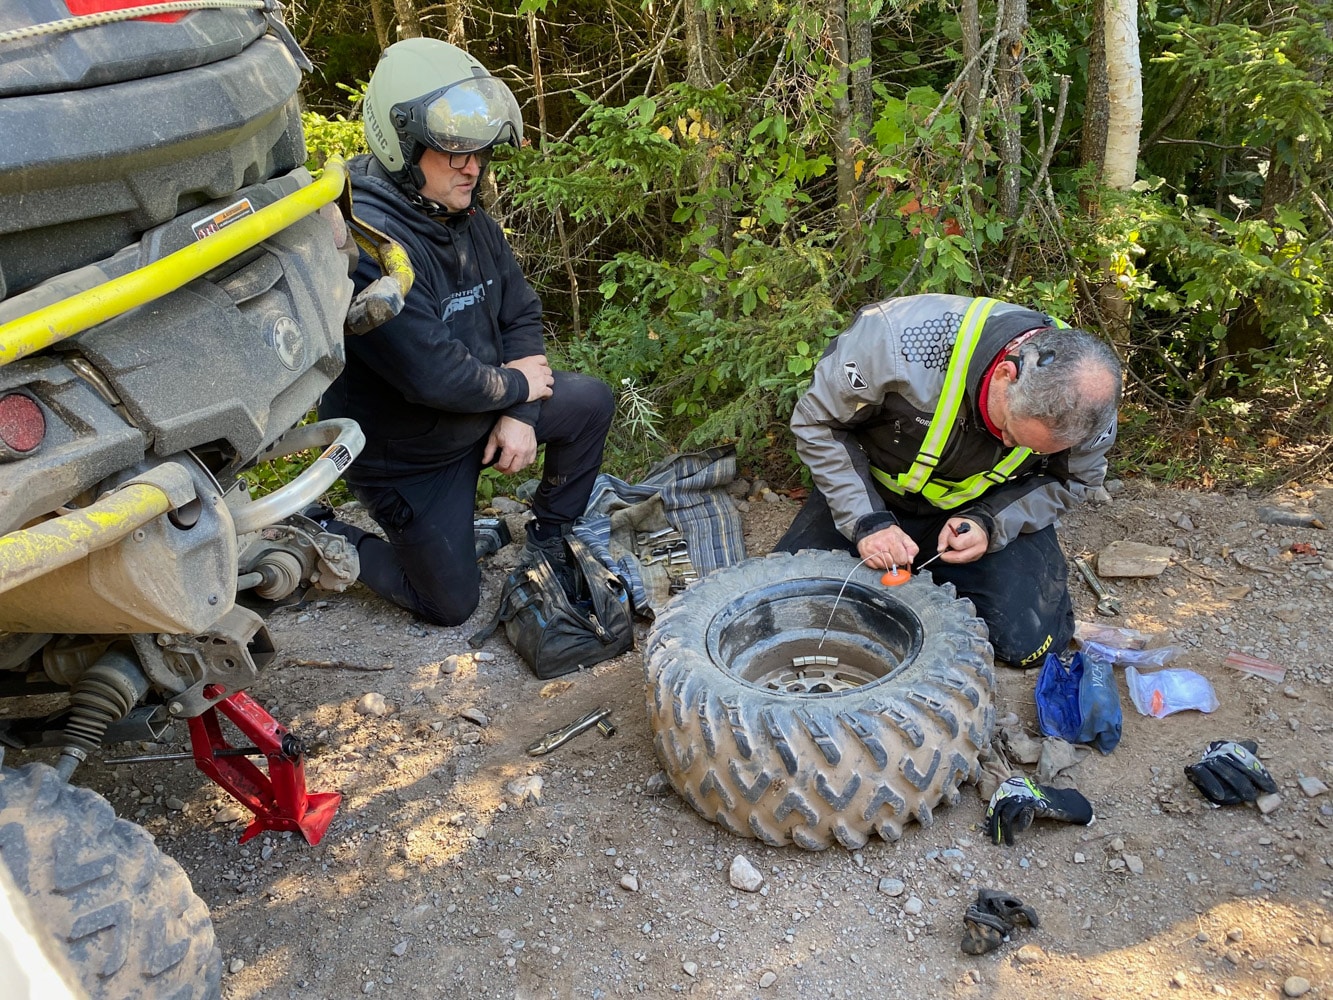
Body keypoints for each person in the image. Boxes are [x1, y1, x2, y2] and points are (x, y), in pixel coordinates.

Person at [316, 37, 614, 626]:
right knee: (449, 605)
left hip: (475, 415)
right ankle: (325, 538)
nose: (472, 168)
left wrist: (521, 413)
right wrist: (519, 389)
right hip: (405, 456)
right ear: (402, 146)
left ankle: (549, 537)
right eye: (453, 153)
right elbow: (434, 376)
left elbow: (520, 314)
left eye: (478, 153)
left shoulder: (464, 217)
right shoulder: (367, 245)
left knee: (590, 402)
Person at [775, 293, 1121, 667]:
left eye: (1029, 448)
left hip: (983, 512)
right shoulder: (896, 341)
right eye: (1009, 430)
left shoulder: (1089, 415)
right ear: (1007, 375)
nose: (1007, 445)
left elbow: (1071, 482)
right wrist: (866, 521)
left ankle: (944, 562)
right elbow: (819, 424)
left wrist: (989, 524)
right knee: (784, 605)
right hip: (872, 494)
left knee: (1027, 642)